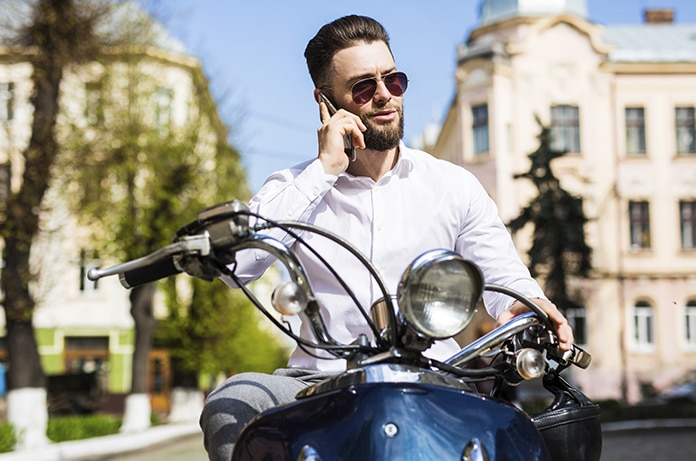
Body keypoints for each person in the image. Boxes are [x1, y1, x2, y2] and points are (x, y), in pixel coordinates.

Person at [200, 15, 574, 461]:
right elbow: (237, 267)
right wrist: (323, 171)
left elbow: (503, 276)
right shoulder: (295, 185)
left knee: (513, 437)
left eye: (393, 79)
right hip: (317, 382)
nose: (384, 95)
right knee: (228, 404)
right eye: (362, 87)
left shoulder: (453, 185)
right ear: (325, 102)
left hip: (438, 372)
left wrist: (528, 306)